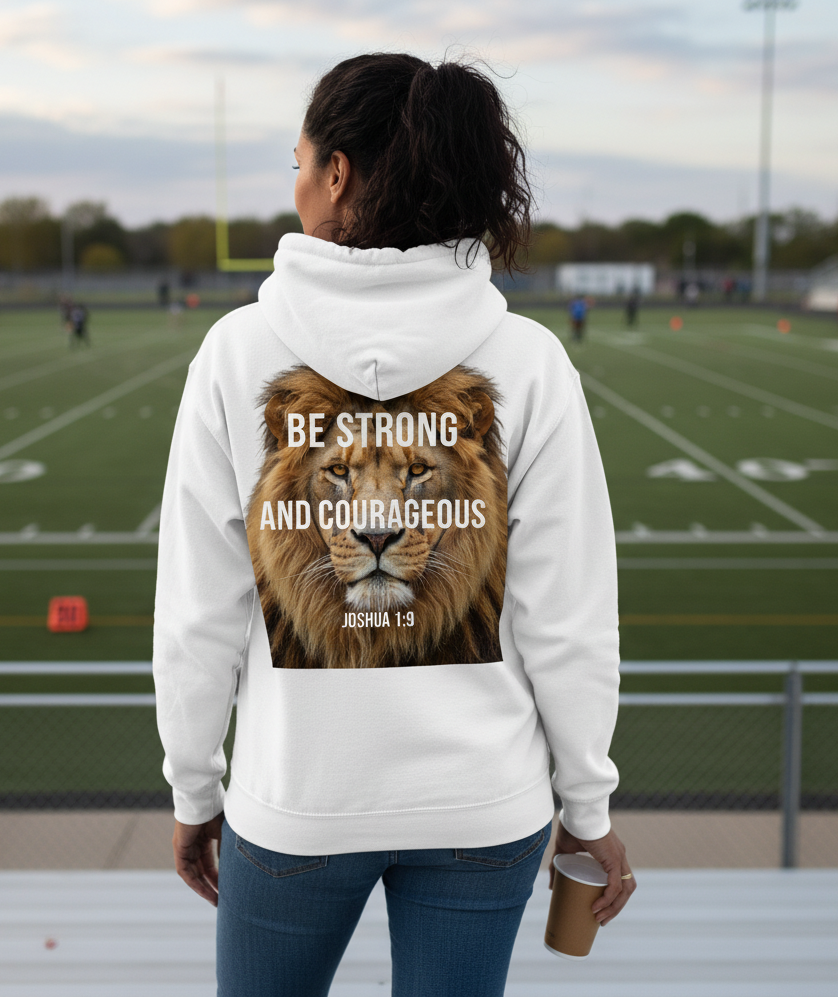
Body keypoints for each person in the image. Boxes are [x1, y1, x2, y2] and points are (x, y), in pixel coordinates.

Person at [155, 53, 633, 997]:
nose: (293, 184)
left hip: (297, 800)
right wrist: (588, 803)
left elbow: (197, 613)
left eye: (298, 161)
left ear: (336, 173)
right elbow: (567, 615)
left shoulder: (235, 352)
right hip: (484, 807)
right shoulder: (530, 360)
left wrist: (193, 788)